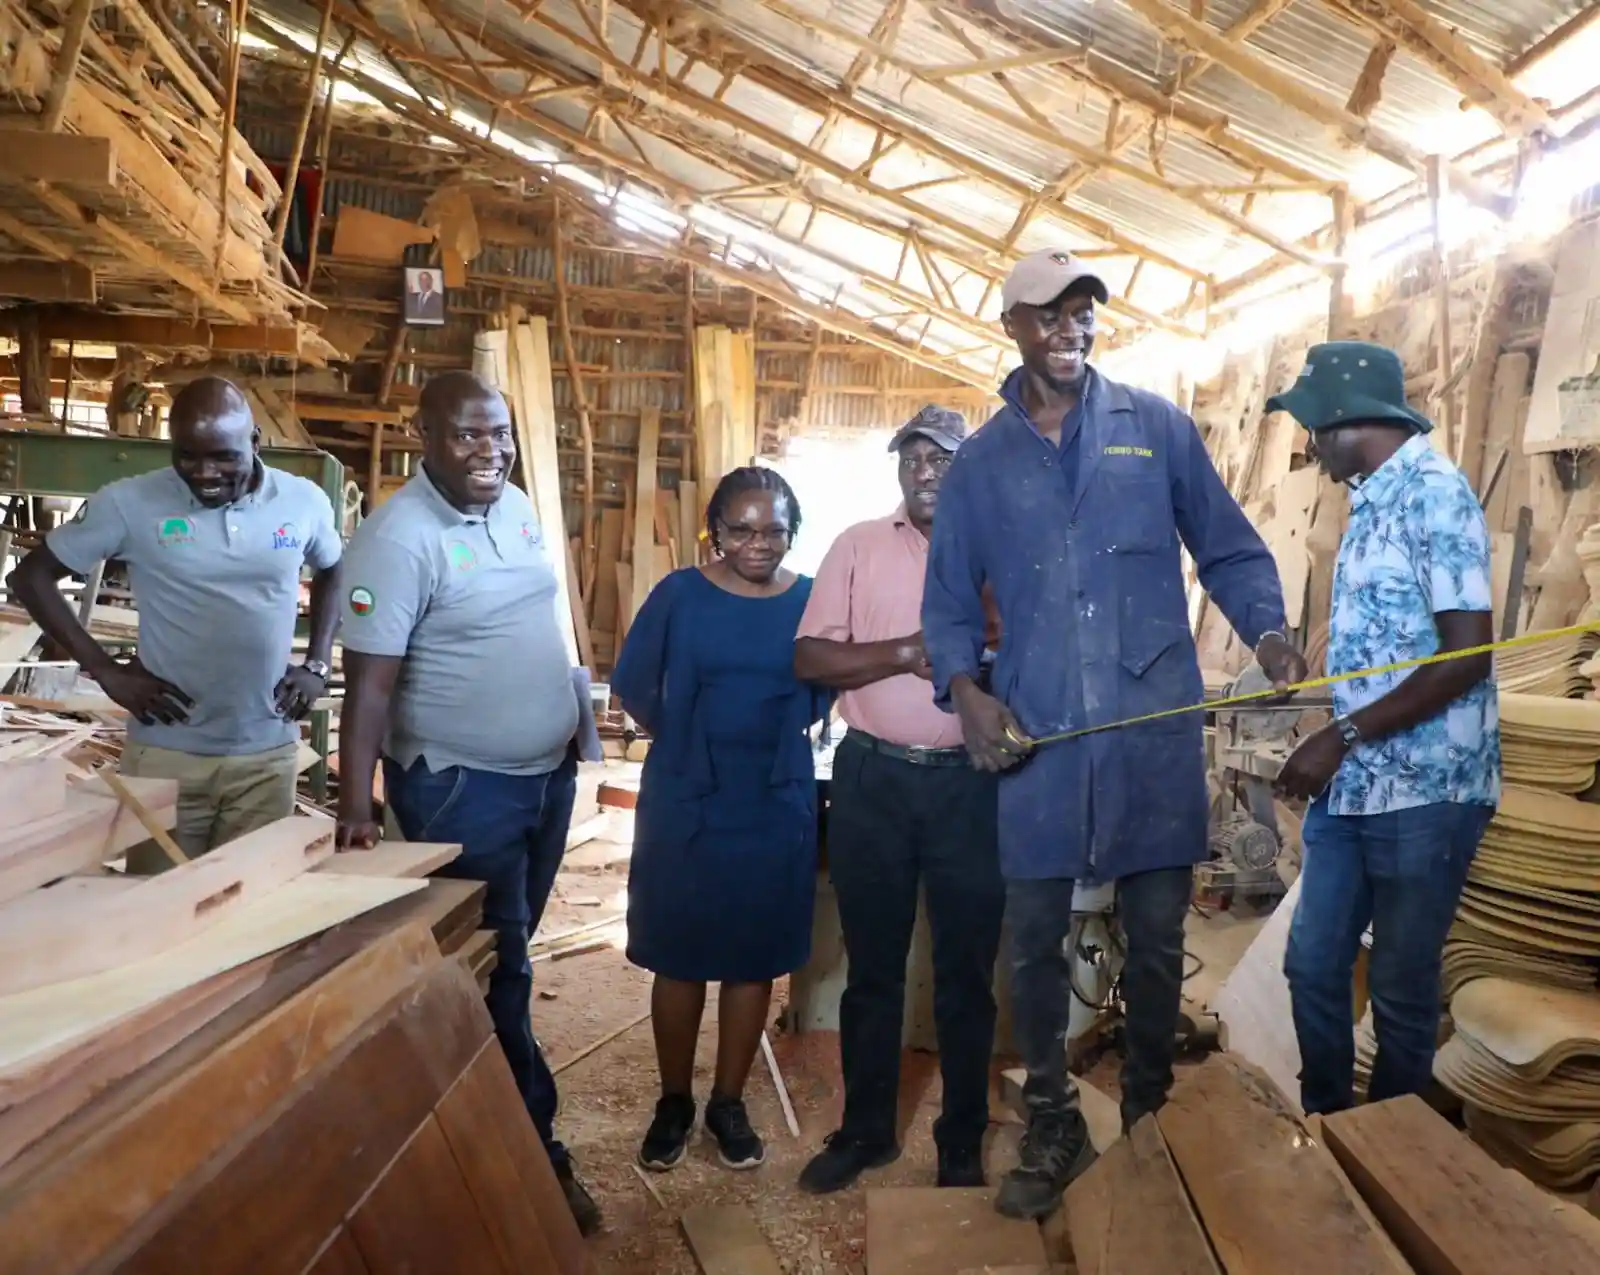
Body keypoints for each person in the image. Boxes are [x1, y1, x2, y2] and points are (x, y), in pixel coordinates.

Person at [922, 249, 1306, 1220]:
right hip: (1039, 736)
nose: (1069, 330)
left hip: (1150, 732)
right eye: (1047, 316)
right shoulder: (981, 464)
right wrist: (965, 690)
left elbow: (1226, 544)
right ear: (1011, 326)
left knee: (1155, 939)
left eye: (1082, 313)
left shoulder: (1155, 430)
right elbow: (947, 604)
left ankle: (1146, 1119)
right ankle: (1050, 1120)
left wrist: (1263, 623)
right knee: (1036, 943)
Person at [334, 370, 600, 1235]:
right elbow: (368, 688)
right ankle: (531, 1155)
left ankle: (501, 1129)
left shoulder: (517, 506)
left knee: (510, 956)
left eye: (500, 433)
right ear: (425, 438)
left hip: (543, 779)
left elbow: (542, 626)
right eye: (467, 436)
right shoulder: (397, 537)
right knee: (501, 972)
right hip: (459, 788)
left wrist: (575, 720)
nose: (489, 450)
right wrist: (357, 804)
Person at [1270, 341, 1499, 1116]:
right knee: (1311, 962)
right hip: (1360, 785)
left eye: (1312, 428)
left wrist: (1342, 734)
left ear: (1347, 421)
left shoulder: (1437, 493)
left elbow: (1467, 653)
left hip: (1428, 787)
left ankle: (1395, 1159)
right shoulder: (1369, 500)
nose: (1309, 445)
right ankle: (1330, 1129)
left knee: (1401, 987)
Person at [792, 406, 1004, 1195]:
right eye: (913, 457)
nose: (926, 470)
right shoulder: (856, 546)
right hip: (873, 778)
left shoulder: (999, 552)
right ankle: (867, 1131)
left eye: (943, 458)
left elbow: (1029, 653)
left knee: (965, 970)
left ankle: (961, 1140)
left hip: (968, 783)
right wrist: (904, 654)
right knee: (873, 967)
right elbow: (810, 656)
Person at [8, 376, 341, 869]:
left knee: (253, 912)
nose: (204, 473)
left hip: (266, 755)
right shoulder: (130, 503)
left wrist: (315, 664)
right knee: (158, 913)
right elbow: (32, 577)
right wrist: (107, 671)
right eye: (187, 456)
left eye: (223, 457)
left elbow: (334, 567)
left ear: (254, 443)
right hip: (167, 756)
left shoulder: (303, 501)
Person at [614, 466, 830, 1177]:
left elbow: (824, 688)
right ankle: (674, 1099)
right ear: (715, 530)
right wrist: (687, 737)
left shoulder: (810, 598)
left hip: (774, 794)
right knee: (678, 952)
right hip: (687, 793)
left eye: (773, 529)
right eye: (741, 528)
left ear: (791, 530)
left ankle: (727, 1103)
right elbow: (634, 683)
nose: (758, 543)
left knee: (753, 955)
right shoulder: (680, 594)